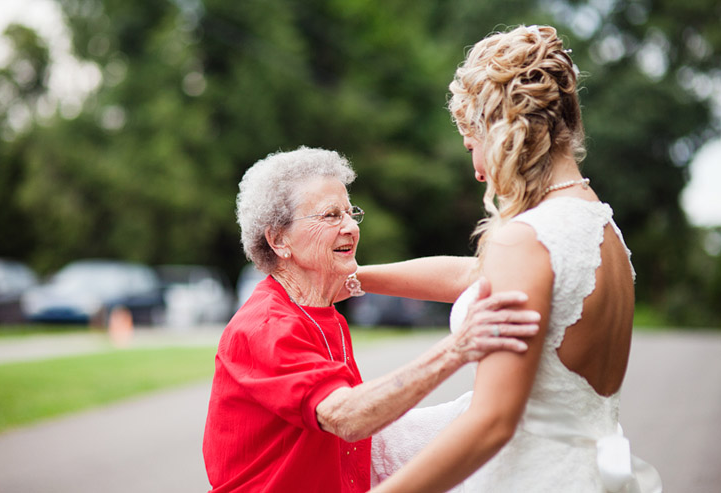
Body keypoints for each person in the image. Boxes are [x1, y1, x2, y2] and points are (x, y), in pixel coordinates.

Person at [356, 25, 662, 492]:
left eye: (471, 144)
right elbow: (472, 274)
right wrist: (351, 277)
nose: (477, 170)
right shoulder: (598, 225)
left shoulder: (525, 239)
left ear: (498, 128)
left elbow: (493, 422)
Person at [201, 146, 541, 493]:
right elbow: (347, 417)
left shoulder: (315, 305)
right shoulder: (266, 327)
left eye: (351, 212)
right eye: (331, 215)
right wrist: (459, 347)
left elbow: (466, 276)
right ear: (278, 239)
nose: (350, 226)